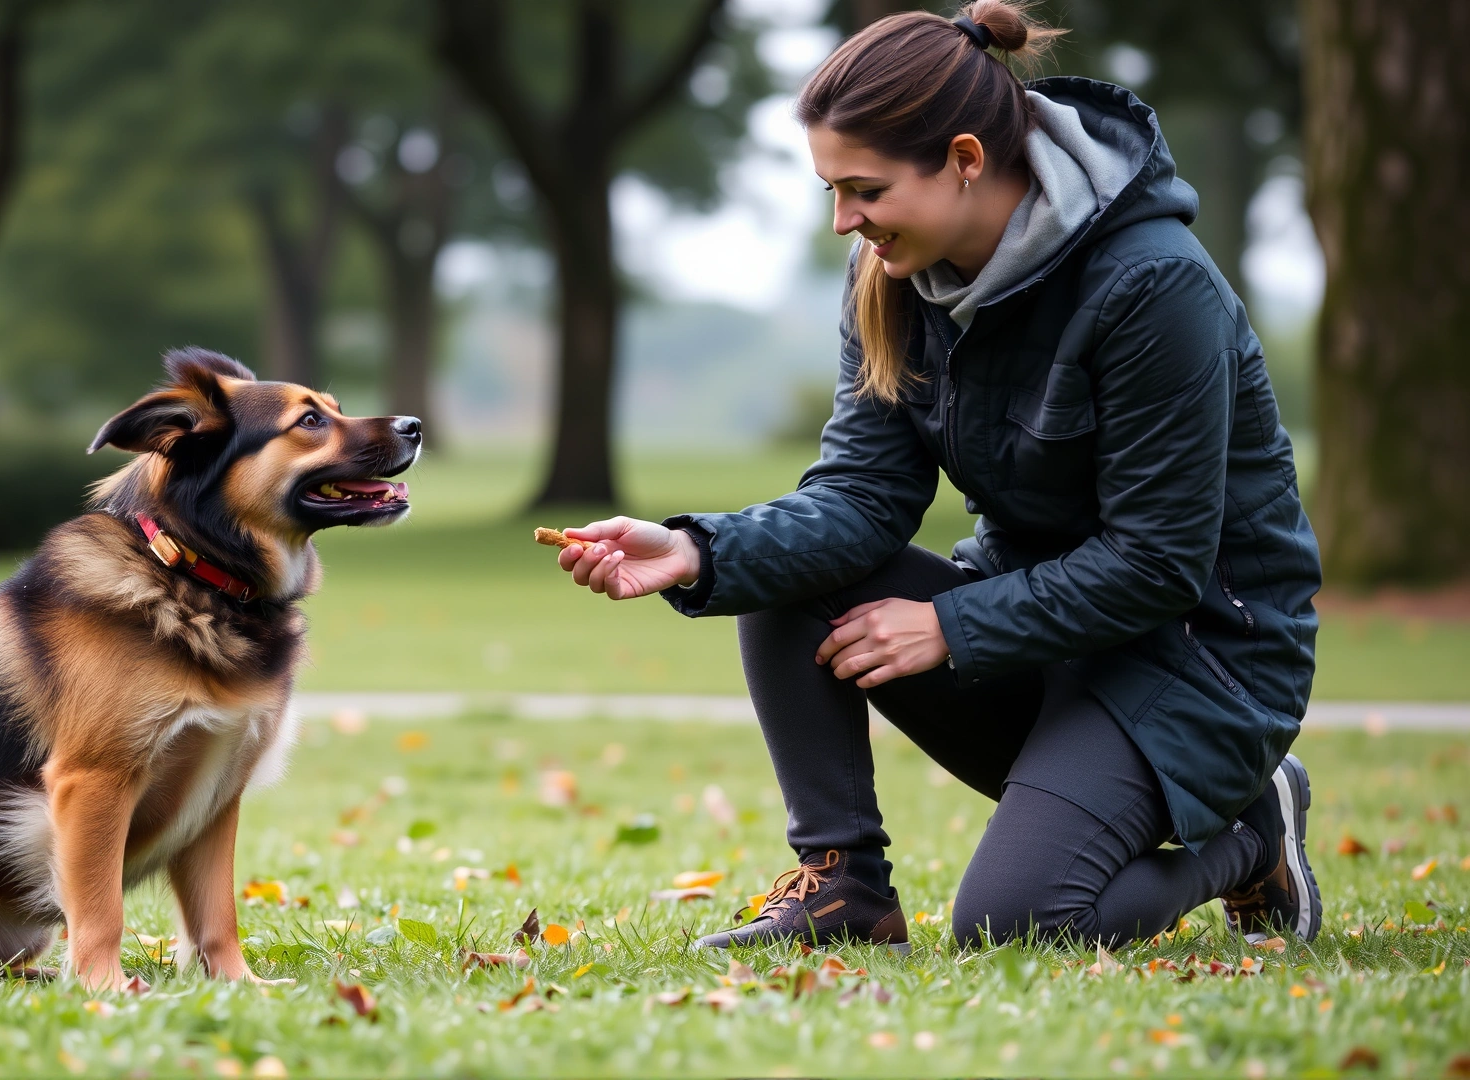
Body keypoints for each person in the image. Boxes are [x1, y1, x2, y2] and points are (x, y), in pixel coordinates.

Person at [554, 0, 1322, 951]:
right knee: (777, 568)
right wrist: (693, 550)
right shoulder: (894, 277)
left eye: (865, 190)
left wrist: (951, 625)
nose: (844, 222)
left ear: (965, 159)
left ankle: (1250, 838)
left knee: (1018, 926)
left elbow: (1160, 564)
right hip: (1039, 640)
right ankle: (845, 889)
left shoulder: (1154, 287)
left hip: (1195, 662)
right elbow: (860, 500)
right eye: (832, 191)